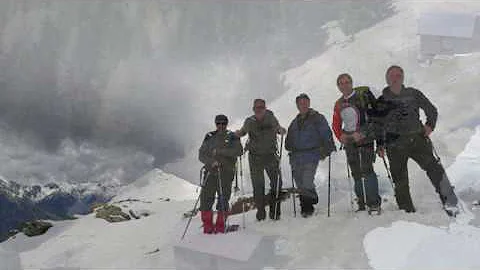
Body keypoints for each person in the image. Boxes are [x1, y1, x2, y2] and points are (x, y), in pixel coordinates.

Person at [376, 65, 459, 216]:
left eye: (399, 75)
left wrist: (429, 126)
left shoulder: (413, 94)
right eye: (392, 75)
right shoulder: (381, 100)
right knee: (400, 179)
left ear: (403, 77)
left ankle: (451, 203)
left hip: (417, 140)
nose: (396, 78)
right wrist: (380, 145)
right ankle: (406, 211)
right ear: (387, 79)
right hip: (394, 145)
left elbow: (431, 110)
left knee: (435, 170)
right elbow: (378, 124)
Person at [332, 73, 381, 212]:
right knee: (356, 172)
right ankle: (362, 202)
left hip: (365, 138)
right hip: (349, 141)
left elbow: (374, 117)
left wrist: (363, 133)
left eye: (347, 82)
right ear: (338, 86)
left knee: (367, 169)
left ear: (352, 83)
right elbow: (336, 123)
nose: (344, 85)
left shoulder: (362, 96)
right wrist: (340, 136)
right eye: (341, 83)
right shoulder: (338, 104)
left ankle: (374, 203)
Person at [285, 93, 336, 217]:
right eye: (300, 103)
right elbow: (289, 139)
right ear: (297, 105)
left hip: (312, 154)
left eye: (305, 102)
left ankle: (306, 207)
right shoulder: (295, 121)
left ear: (309, 103)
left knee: (307, 180)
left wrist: (328, 147)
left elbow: (326, 133)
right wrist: (288, 147)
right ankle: (311, 198)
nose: (303, 105)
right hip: (296, 156)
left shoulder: (317, 118)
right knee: (299, 181)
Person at [235, 99, 286, 221]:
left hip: (270, 155)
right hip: (255, 157)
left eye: (261, 107)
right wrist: (238, 134)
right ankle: (261, 212)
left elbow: (278, 128)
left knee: (277, 183)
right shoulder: (249, 121)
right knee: (258, 186)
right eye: (256, 108)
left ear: (265, 108)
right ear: (253, 109)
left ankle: (274, 212)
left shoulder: (271, 118)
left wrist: (281, 130)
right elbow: (243, 132)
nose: (258, 110)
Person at [199, 114, 243, 233]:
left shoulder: (233, 136)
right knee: (206, 199)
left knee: (223, 199)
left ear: (227, 124)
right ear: (215, 124)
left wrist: (220, 152)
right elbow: (201, 154)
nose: (221, 126)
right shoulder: (209, 136)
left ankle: (220, 225)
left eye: (223, 123)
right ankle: (207, 226)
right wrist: (211, 161)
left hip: (226, 173)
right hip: (210, 172)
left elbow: (239, 151)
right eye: (218, 123)